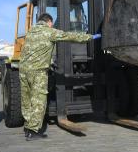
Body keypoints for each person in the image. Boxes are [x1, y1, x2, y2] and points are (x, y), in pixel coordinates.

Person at [19, 13, 101, 141]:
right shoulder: (49, 31)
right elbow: (69, 36)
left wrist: (49, 61)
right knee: (38, 101)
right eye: (52, 24)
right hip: (38, 71)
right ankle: (33, 131)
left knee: (26, 100)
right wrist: (90, 37)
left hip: (23, 70)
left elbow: (35, 50)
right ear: (49, 22)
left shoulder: (30, 32)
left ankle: (28, 127)